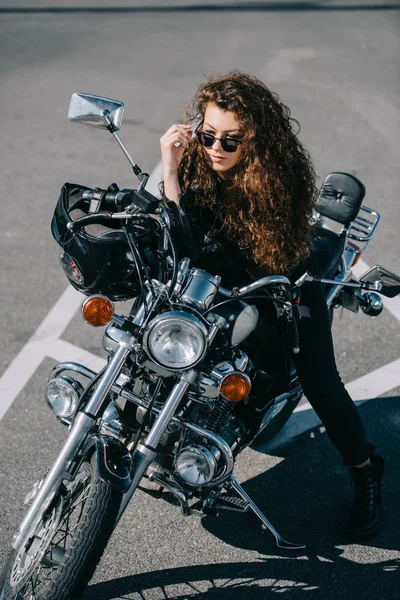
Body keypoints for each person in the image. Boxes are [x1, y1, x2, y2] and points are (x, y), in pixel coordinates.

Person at [159, 71, 384, 541]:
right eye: (208, 134)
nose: (216, 146)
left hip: (283, 288)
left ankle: (365, 470)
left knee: (323, 384)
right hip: (220, 284)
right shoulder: (199, 161)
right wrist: (171, 166)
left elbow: (253, 258)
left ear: (255, 140)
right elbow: (174, 231)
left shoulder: (274, 185)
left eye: (231, 139)